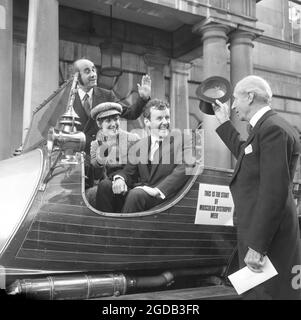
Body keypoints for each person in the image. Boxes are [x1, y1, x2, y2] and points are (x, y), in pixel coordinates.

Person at [212, 75, 301, 300]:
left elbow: (274, 192)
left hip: (267, 240)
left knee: (266, 295)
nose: (232, 105)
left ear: (250, 97)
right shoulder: (267, 127)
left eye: (235, 99)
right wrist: (224, 124)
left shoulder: (272, 129)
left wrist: (258, 246)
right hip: (263, 235)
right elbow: (246, 154)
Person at [95, 99, 195, 213]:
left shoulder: (185, 140)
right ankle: (105, 228)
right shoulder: (139, 145)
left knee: (136, 194)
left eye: (167, 117)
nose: (165, 122)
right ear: (147, 122)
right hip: (142, 194)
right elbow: (128, 172)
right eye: (159, 118)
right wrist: (120, 179)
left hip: (166, 198)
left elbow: (186, 168)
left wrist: (158, 190)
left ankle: (123, 231)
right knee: (106, 185)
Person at [72, 58, 151, 187]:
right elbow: (49, 127)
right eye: (87, 71)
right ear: (76, 76)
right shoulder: (68, 99)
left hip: (104, 163)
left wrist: (143, 98)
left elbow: (130, 113)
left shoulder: (107, 95)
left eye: (93, 69)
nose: (93, 74)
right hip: (76, 166)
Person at [87, 102, 140, 210]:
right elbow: (96, 170)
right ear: (99, 124)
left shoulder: (133, 139)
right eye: (108, 121)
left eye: (116, 119)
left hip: (129, 181)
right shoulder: (95, 144)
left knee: (107, 185)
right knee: (105, 185)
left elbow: (137, 168)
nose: (113, 124)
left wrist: (121, 179)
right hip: (108, 185)